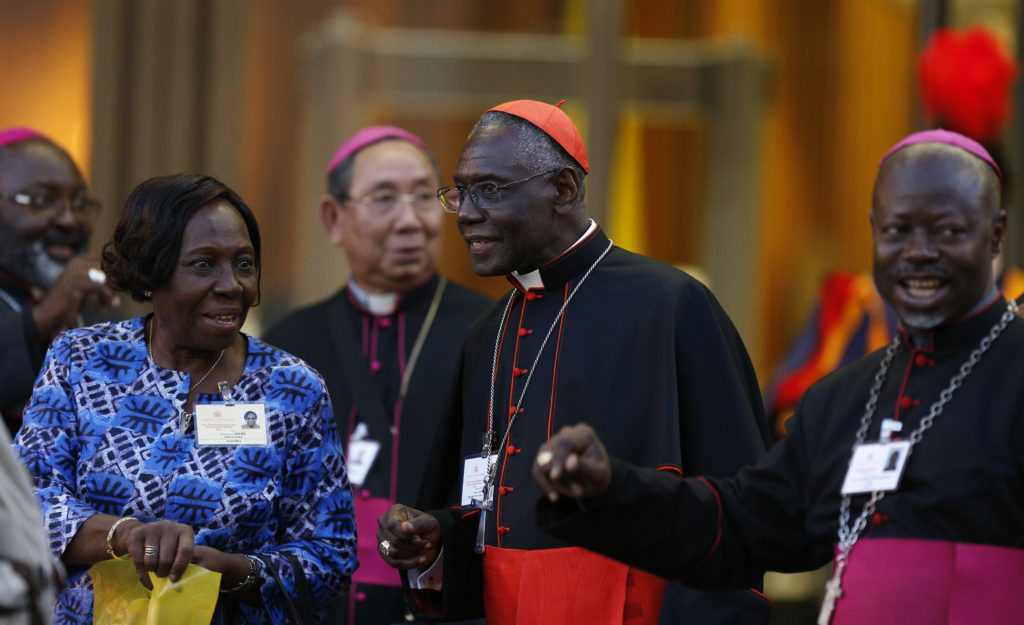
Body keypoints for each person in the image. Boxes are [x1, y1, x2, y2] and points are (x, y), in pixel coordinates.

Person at [533, 129, 1024, 625]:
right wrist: (611, 488)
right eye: (898, 231)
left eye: (947, 231)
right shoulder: (842, 399)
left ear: (996, 235)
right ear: (874, 230)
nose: (918, 251)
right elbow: (744, 523)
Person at [376, 100, 772, 625]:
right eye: (461, 191)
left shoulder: (670, 305)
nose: (467, 212)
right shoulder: (486, 335)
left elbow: (737, 509)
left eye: (490, 189)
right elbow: (483, 516)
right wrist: (436, 541)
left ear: (562, 189)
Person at [13, 173, 357, 625]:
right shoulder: (81, 359)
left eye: (245, 264)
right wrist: (125, 536)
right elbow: (27, 506)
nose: (232, 285)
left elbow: (330, 555)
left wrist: (234, 571)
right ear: (151, 272)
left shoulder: (293, 388)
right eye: (203, 264)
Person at [264, 126, 491, 624]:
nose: (410, 221)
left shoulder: (489, 331)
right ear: (333, 218)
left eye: (423, 196)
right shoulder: (287, 344)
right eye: (384, 198)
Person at [0, 127, 119, 435]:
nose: (69, 219)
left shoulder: (96, 306)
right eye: (42, 200)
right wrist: (46, 315)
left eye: (80, 203)